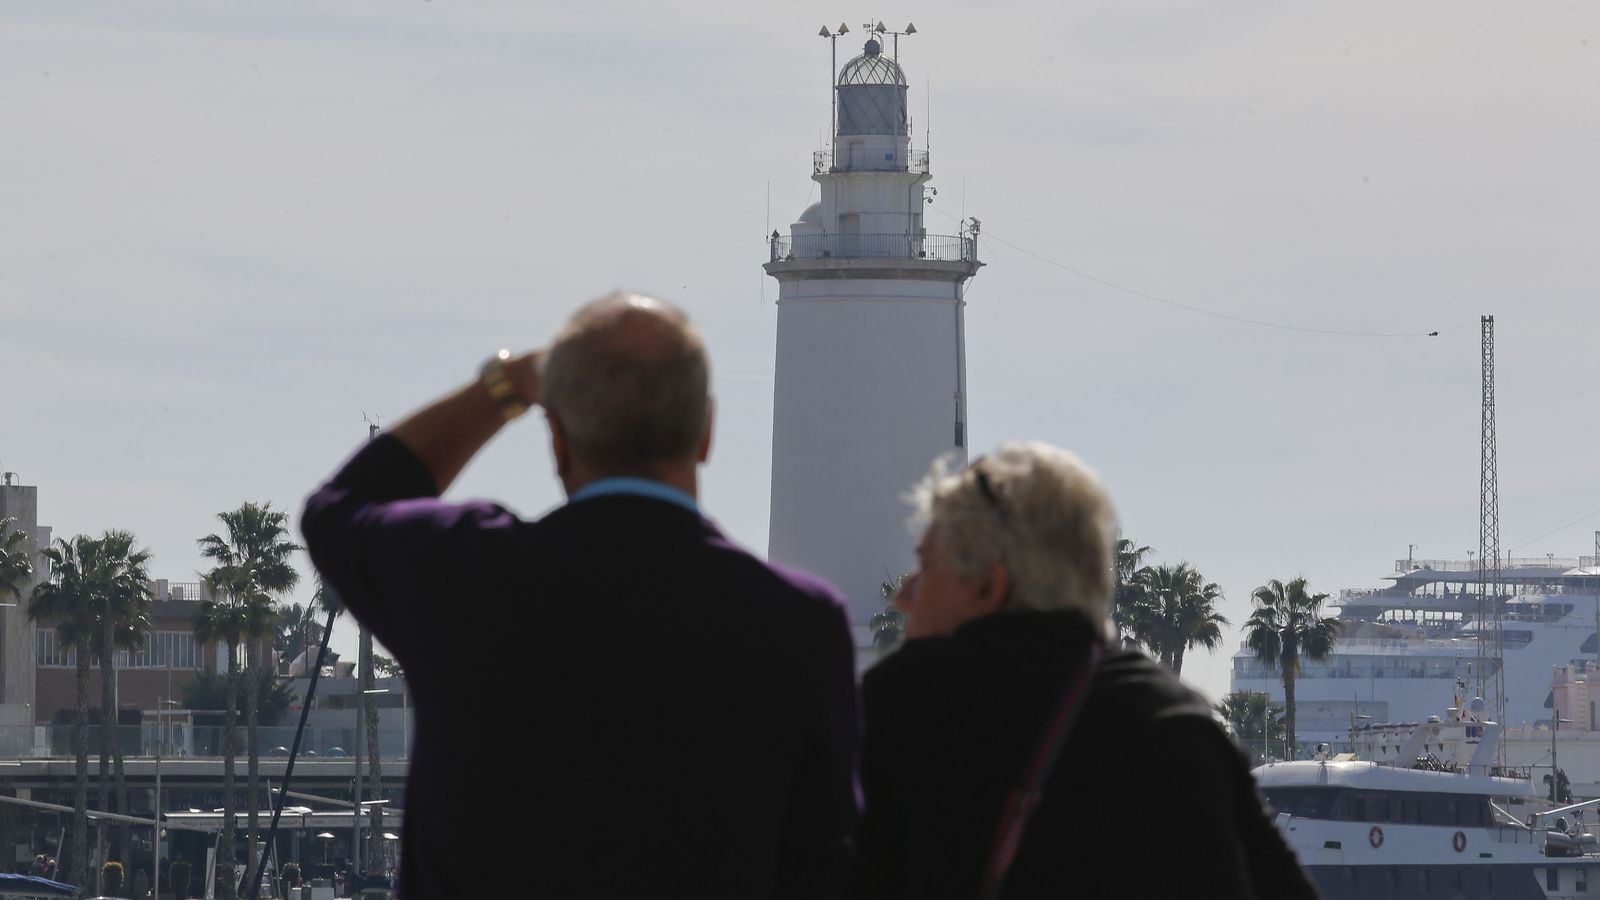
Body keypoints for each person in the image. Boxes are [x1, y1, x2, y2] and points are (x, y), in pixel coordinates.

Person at [302, 292, 858, 899]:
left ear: (558, 440)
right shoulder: (800, 623)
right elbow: (825, 866)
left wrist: (505, 385)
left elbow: (343, 507)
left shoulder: (466, 575)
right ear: (706, 431)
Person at [853, 443, 1319, 899]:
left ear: (987, 588)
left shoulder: (902, 706)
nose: (904, 594)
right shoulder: (1177, 720)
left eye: (927, 565)